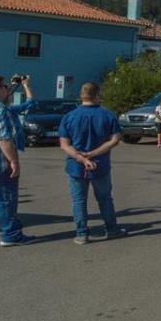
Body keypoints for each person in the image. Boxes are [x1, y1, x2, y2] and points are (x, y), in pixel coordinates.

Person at [59, 82, 127, 245]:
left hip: (76, 166)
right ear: (97, 95)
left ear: (81, 96)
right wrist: (92, 154)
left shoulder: (69, 116)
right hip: (100, 165)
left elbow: (64, 144)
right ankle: (111, 229)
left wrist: (82, 158)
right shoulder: (107, 115)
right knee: (105, 199)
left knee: (78, 201)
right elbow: (115, 139)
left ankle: (82, 233)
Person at [0, 75, 35, 247]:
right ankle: (10, 235)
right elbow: (4, 139)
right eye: (4, 86)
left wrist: (14, 85)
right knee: (4, 200)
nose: (7, 89)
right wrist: (14, 161)